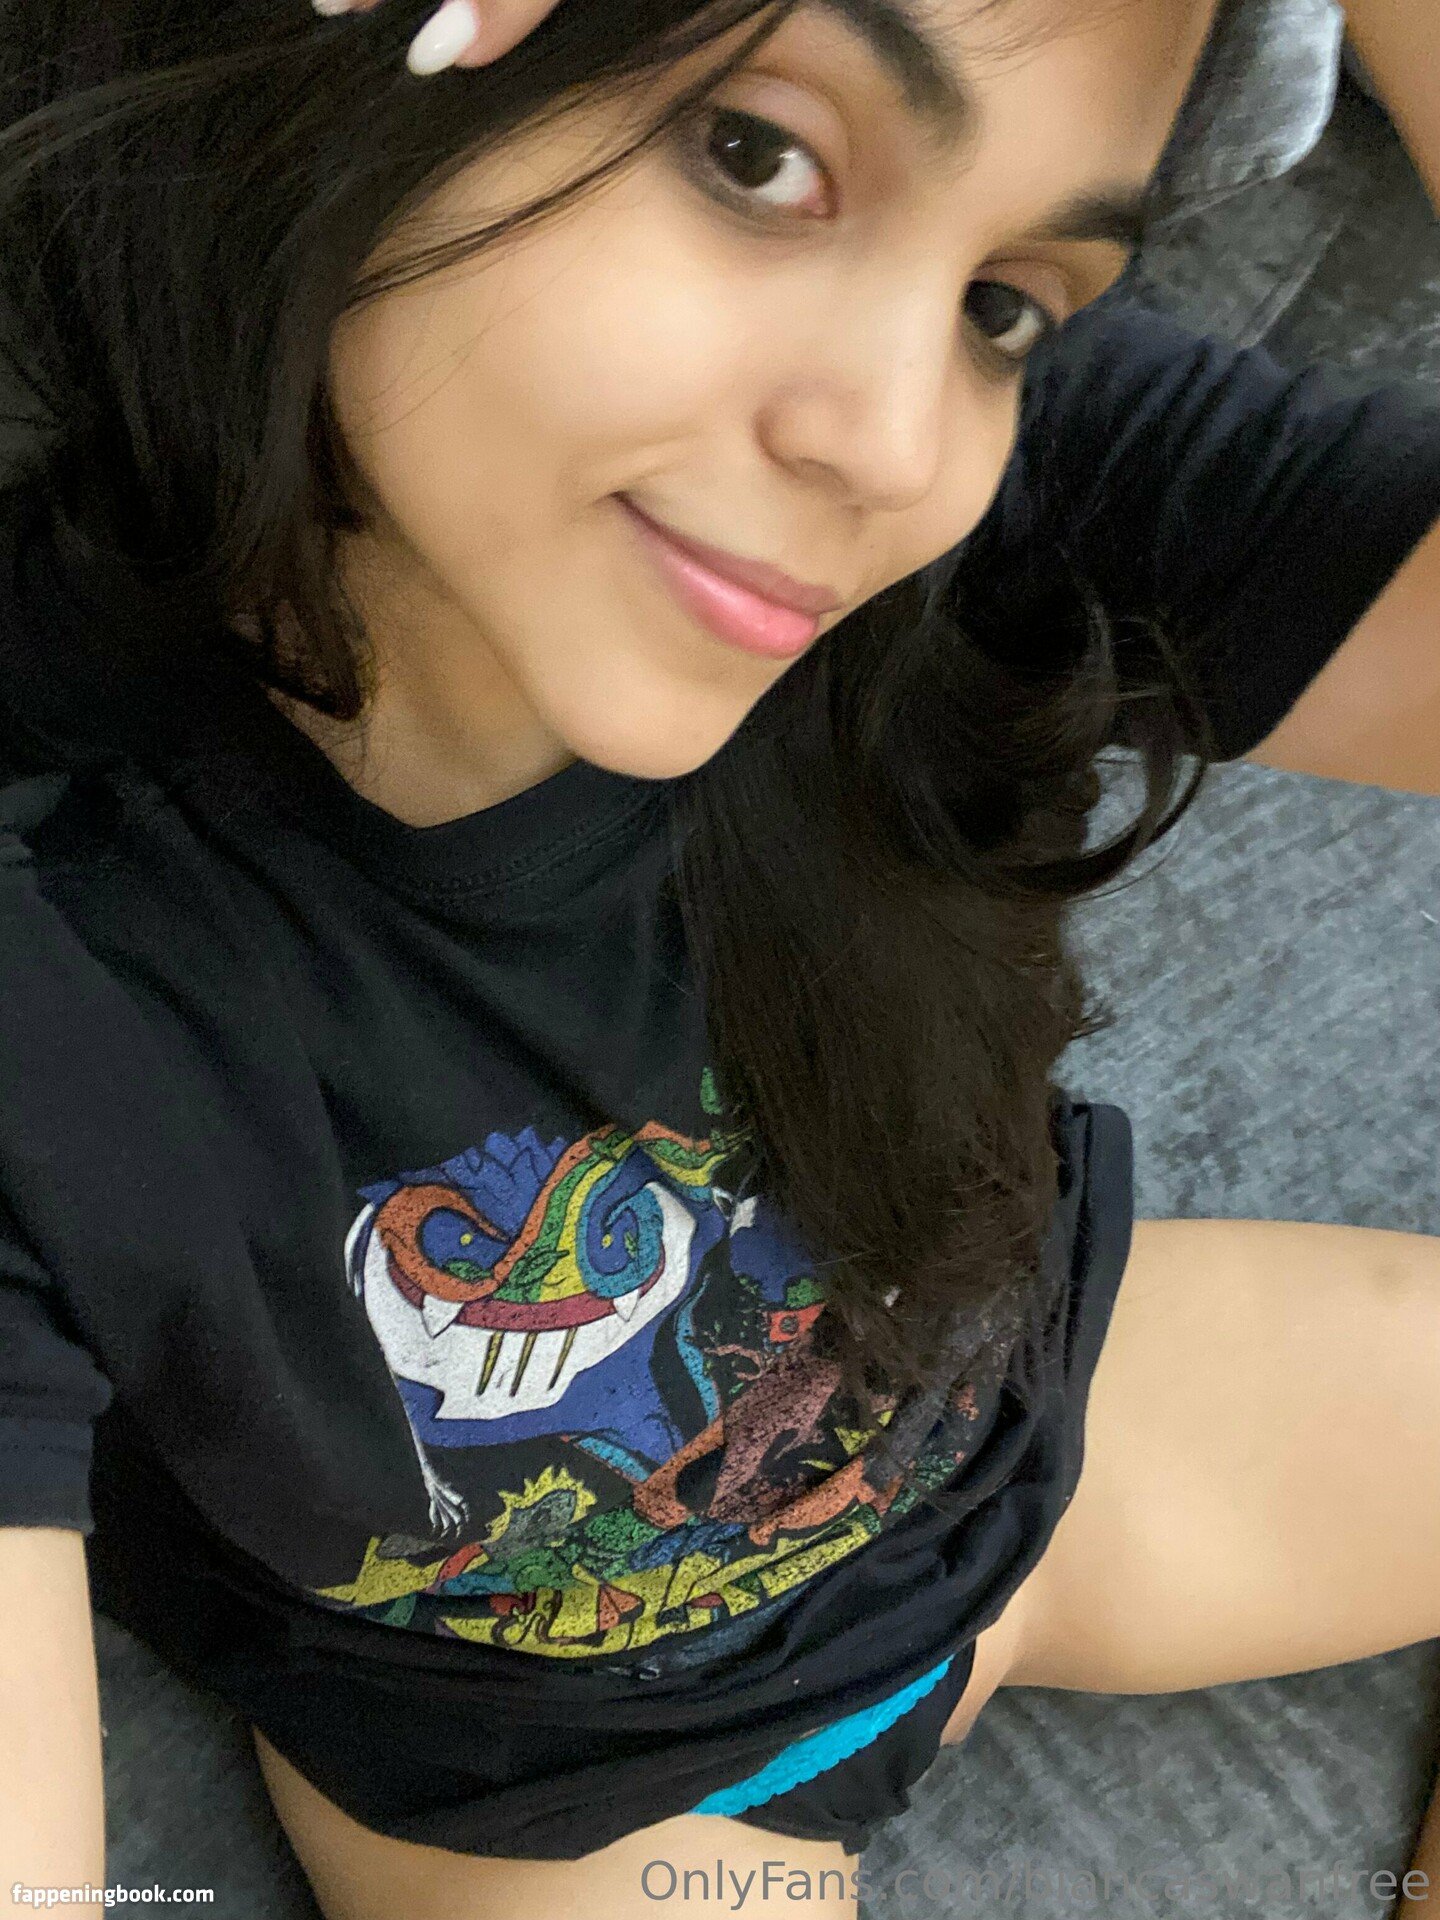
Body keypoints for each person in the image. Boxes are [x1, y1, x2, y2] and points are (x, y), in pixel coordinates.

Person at [0, 1, 1438, 1915]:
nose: (895, 448)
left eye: (1004, 299)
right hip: (593, 1780)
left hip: (1046, 1427)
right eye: (756, 155)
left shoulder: (1015, 465)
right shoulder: (55, 929)